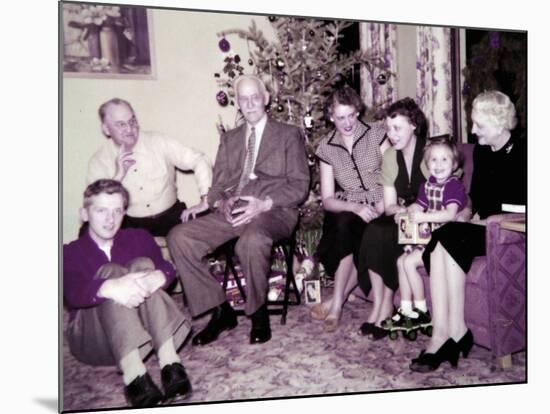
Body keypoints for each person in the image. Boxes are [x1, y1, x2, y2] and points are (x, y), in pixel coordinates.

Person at [167, 74, 310, 345]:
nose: (250, 104)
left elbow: (300, 186)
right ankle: (220, 311)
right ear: (238, 104)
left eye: (255, 97)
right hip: (234, 210)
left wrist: (265, 203)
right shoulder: (230, 139)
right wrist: (218, 202)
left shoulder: (288, 135)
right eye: (243, 99)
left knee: (252, 240)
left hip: (274, 210)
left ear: (266, 98)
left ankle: (257, 313)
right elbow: (219, 184)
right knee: (179, 237)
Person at [409, 91, 526, 372]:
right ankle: (452, 332)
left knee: (445, 238)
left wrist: (492, 220)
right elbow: (473, 198)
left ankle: (447, 335)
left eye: (478, 125)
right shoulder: (483, 153)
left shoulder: (526, 153)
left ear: (499, 124)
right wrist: (464, 213)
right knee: (442, 239)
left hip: (507, 233)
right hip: (478, 228)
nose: (472, 131)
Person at [63, 179, 193, 408]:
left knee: (143, 263)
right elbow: (72, 293)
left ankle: (170, 363)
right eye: (101, 210)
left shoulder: (139, 238)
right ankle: (134, 376)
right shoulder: (70, 252)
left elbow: (167, 268)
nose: (110, 219)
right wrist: (109, 287)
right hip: (94, 340)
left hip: (144, 331)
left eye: (117, 211)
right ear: (84, 214)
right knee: (111, 272)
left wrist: (160, 275)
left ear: (124, 213)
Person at [310, 85, 388, 332]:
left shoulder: (377, 133)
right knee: (343, 224)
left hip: (383, 201)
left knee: (352, 231)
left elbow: (392, 174)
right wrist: (355, 207)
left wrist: (382, 205)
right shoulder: (326, 147)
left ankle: (336, 303)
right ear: (331, 116)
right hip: (350, 207)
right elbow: (328, 199)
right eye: (340, 117)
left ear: (358, 111)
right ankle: (337, 304)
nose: (347, 123)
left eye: (351, 115)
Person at [356, 97, 431, 340]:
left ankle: (386, 305)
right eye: (388, 129)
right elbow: (388, 205)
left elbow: (444, 192)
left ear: (413, 126)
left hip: (427, 219)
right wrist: (399, 210)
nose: (392, 134)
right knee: (374, 229)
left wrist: (413, 211)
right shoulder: (389, 156)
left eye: (397, 128)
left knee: (386, 234)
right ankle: (379, 305)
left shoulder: (430, 152)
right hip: (402, 217)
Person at [86, 98, 213, 237]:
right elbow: (96, 205)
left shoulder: (158, 141)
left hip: (171, 217)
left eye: (132, 121)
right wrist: (118, 177)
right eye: (121, 125)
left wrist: (206, 199)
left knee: (207, 226)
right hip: (129, 224)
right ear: (106, 129)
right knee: (87, 236)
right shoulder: (98, 161)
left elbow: (199, 159)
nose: (129, 129)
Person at [382, 137, 466, 334]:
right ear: (427, 164)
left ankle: (421, 310)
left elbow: (450, 214)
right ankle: (406, 309)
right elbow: (419, 205)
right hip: (427, 238)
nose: (438, 165)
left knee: (410, 262)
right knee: (401, 261)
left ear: (454, 164)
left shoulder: (453, 186)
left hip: (445, 241)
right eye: (433, 160)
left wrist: (423, 217)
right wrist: (406, 212)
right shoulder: (427, 185)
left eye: (444, 160)